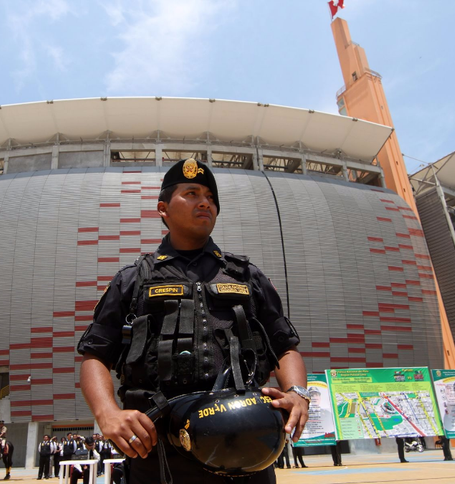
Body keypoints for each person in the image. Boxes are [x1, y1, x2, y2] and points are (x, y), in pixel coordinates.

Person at [77, 159, 309, 484]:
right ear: (163, 208)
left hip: (248, 445)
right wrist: (107, 413)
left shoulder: (247, 276)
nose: (205, 202)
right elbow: (95, 355)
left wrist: (298, 392)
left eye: (211, 197)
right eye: (191, 193)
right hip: (159, 454)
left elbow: (285, 347)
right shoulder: (133, 280)